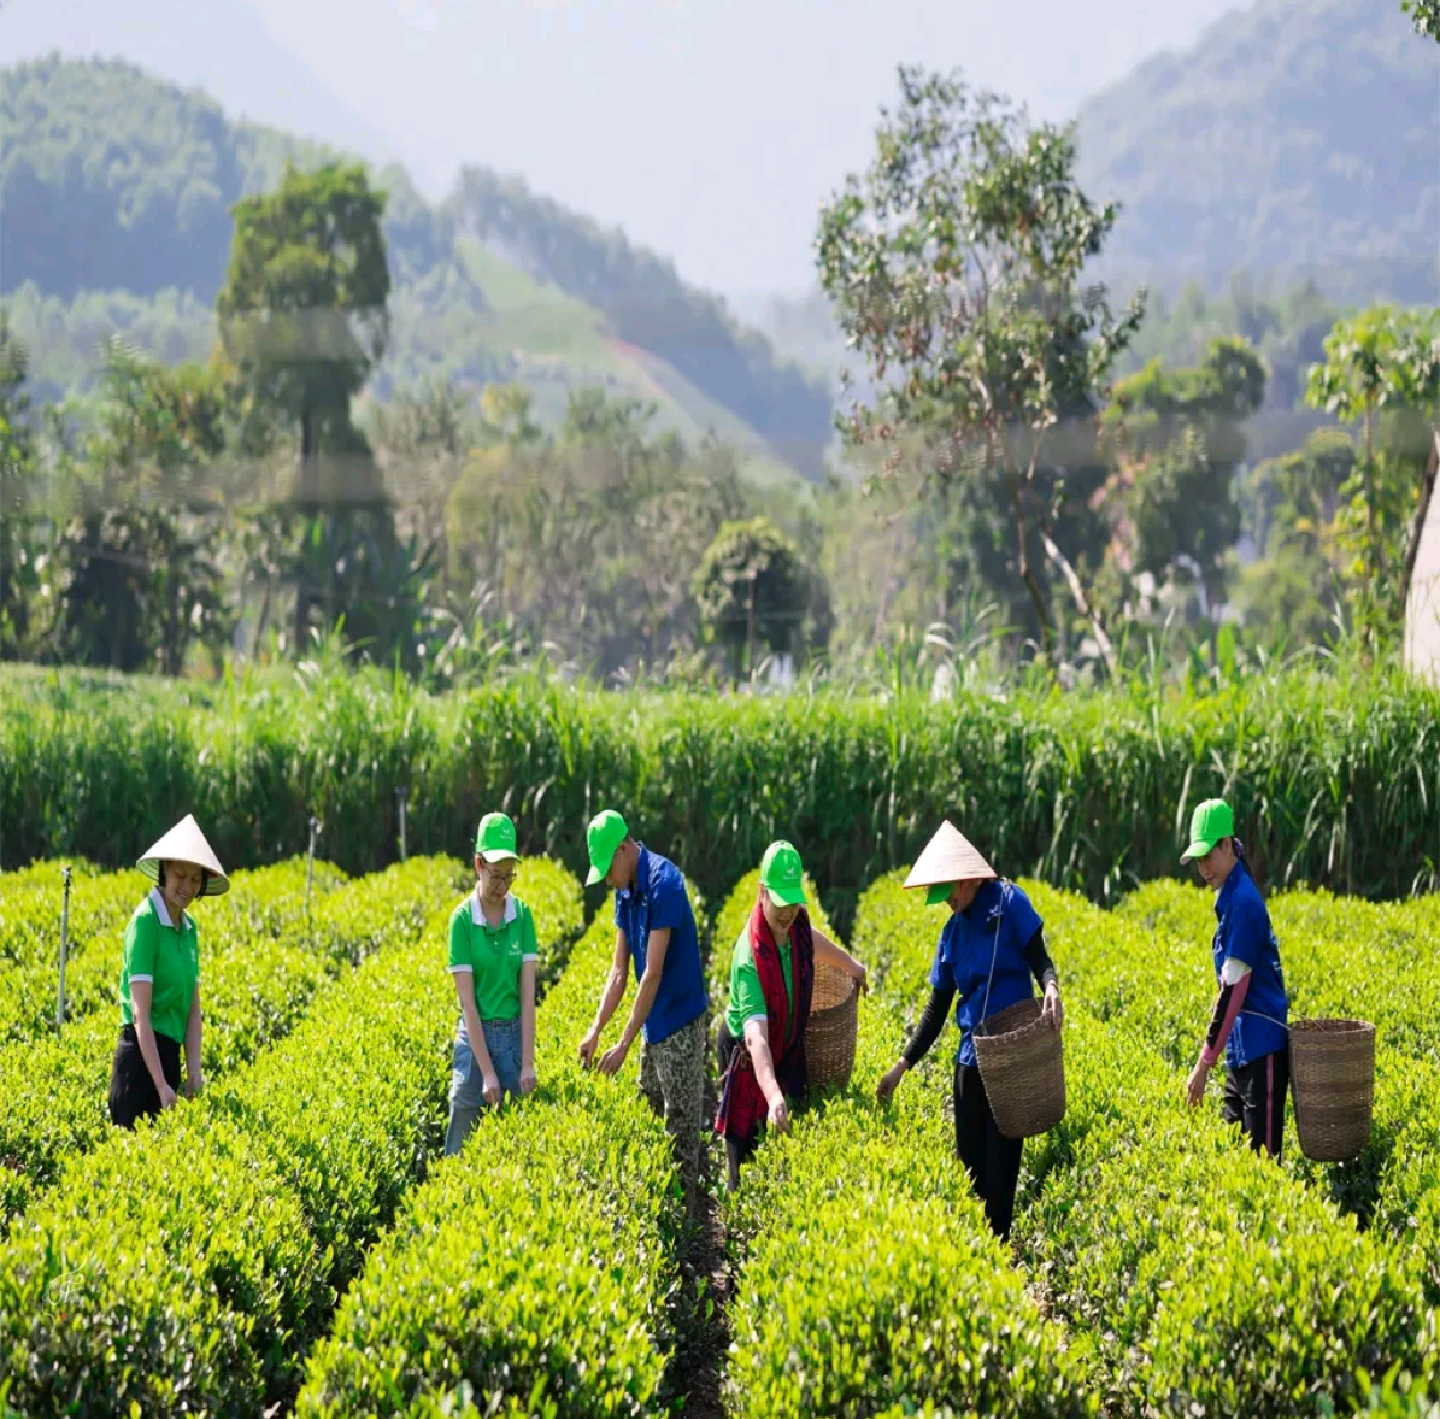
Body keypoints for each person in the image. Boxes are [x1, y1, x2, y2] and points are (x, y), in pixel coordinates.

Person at [875, 820, 1062, 1242]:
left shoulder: (1010, 902)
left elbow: (1039, 957)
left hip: (1013, 1059)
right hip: (971, 1063)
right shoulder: (951, 934)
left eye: (950, 892)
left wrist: (1050, 985)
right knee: (969, 1168)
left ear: (968, 878)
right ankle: (977, 1257)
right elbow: (936, 1009)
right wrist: (902, 1065)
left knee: (1002, 1170)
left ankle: (998, 1251)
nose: (947, 903)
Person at [714, 840, 868, 1190]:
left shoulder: (795, 926)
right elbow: (756, 1037)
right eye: (780, 903)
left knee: (790, 1138)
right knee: (746, 1149)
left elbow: (812, 941)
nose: (787, 913)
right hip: (746, 1051)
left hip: (785, 1042)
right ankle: (737, 1224)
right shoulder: (749, 955)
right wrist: (773, 1095)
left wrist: (853, 966)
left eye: (793, 902)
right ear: (762, 893)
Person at [578, 808, 708, 1210]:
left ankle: (685, 1228)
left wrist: (622, 1043)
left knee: (681, 1129)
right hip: (652, 1021)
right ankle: (661, 1221)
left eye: (607, 869)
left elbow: (650, 973)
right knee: (650, 1114)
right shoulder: (625, 889)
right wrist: (596, 1030)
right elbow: (620, 972)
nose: (607, 880)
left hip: (680, 1021)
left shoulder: (664, 883)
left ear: (623, 849)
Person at [1180, 798, 1290, 1158]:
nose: (1203, 869)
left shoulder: (1242, 902)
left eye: (1207, 857)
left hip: (1262, 1048)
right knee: (1237, 1161)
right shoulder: (1230, 897)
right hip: (1240, 1051)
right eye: (1198, 861)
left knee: (1264, 1166)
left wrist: (1202, 1065)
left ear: (1227, 845)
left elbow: (1232, 991)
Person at [108, 814, 228, 1129]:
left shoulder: (189, 930)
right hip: (139, 1061)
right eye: (180, 876)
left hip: (169, 1057)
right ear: (164, 871)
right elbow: (140, 1016)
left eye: (195, 879)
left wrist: (194, 1073)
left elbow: (192, 1009)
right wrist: (160, 1084)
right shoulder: (146, 922)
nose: (187, 887)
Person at [444, 811, 539, 1156]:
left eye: (509, 877)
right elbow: (468, 1005)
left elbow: (528, 995)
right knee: (460, 1141)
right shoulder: (462, 921)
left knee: (518, 1147)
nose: (502, 886)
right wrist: (486, 1072)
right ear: (478, 865)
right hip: (474, 1041)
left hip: (512, 1038)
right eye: (496, 876)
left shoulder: (523, 916)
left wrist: (527, 1062)